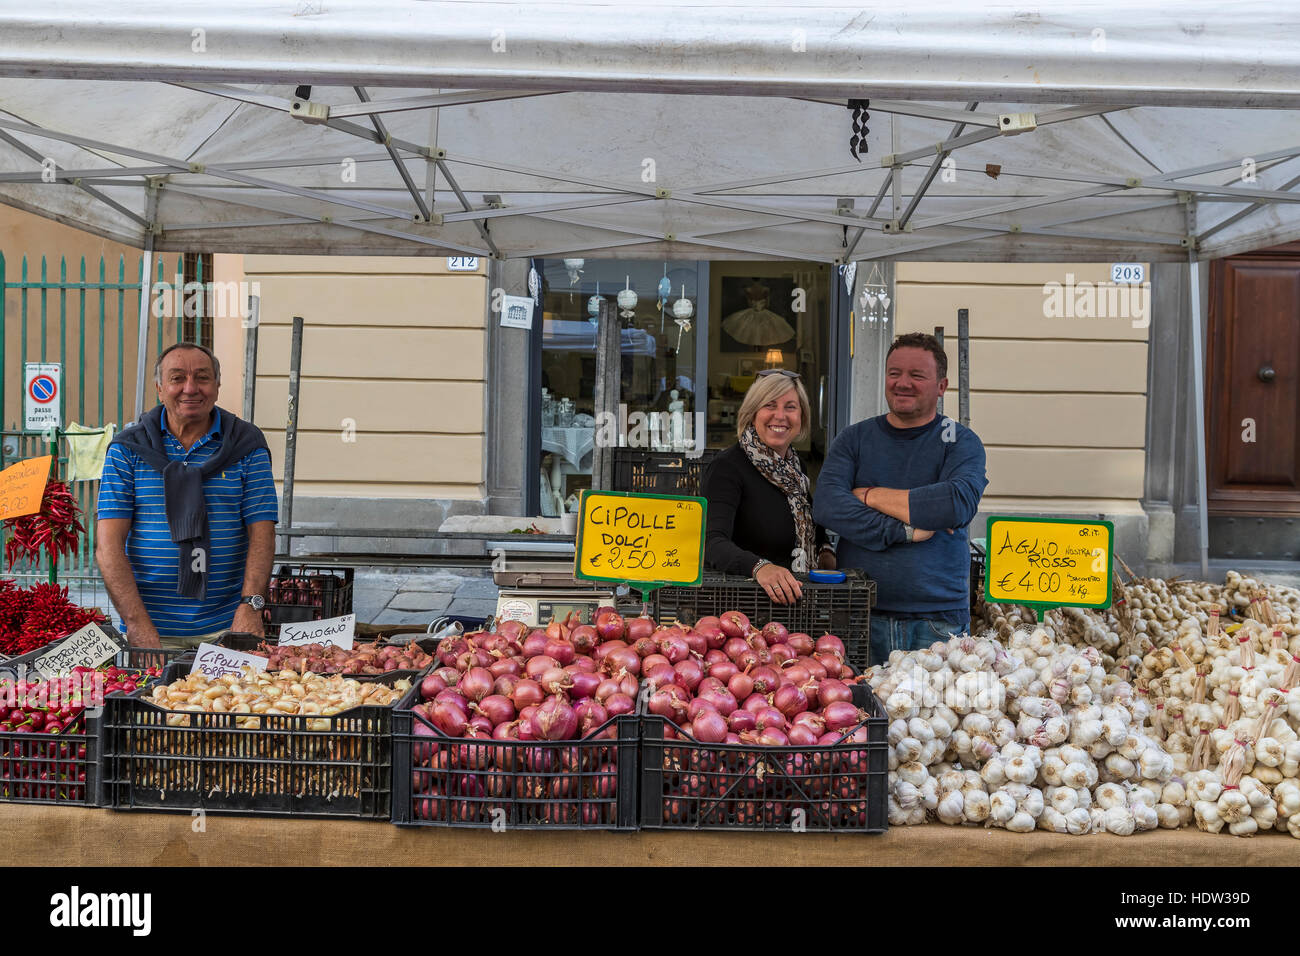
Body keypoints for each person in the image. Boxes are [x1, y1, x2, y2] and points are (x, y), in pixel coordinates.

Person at [813, 333, 987, 664]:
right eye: (894, 373)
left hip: (937, 622)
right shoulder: (854, 439)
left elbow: (954, 503)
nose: (902, 383)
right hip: (860, 613)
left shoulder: (961, 442)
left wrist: (869, 495)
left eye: (916, 375)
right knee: (861, 714)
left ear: (942, 385)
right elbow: (828, 504)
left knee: (934, 714)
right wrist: (905, 529)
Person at [95, 342, 279, 649]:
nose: (190, 388)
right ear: (159, 387)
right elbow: (108, 547)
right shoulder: (128, 449)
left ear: (217, 386)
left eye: (202, 378)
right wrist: (138, 625)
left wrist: (250, 606)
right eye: (177, 378)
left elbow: (262, 533)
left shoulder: (246, 445)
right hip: (151, 629)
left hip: (227, 627)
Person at [702, 369, 834, 604]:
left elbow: (811, 528)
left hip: (795, 608)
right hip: (742, 611)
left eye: (790, 407)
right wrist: (760, 567)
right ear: (752, 414)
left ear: (801, 416)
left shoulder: (795, 468)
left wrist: (825, 552)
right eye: (769, 405)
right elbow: (712, 542)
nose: (780, 416)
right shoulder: (727, 467)